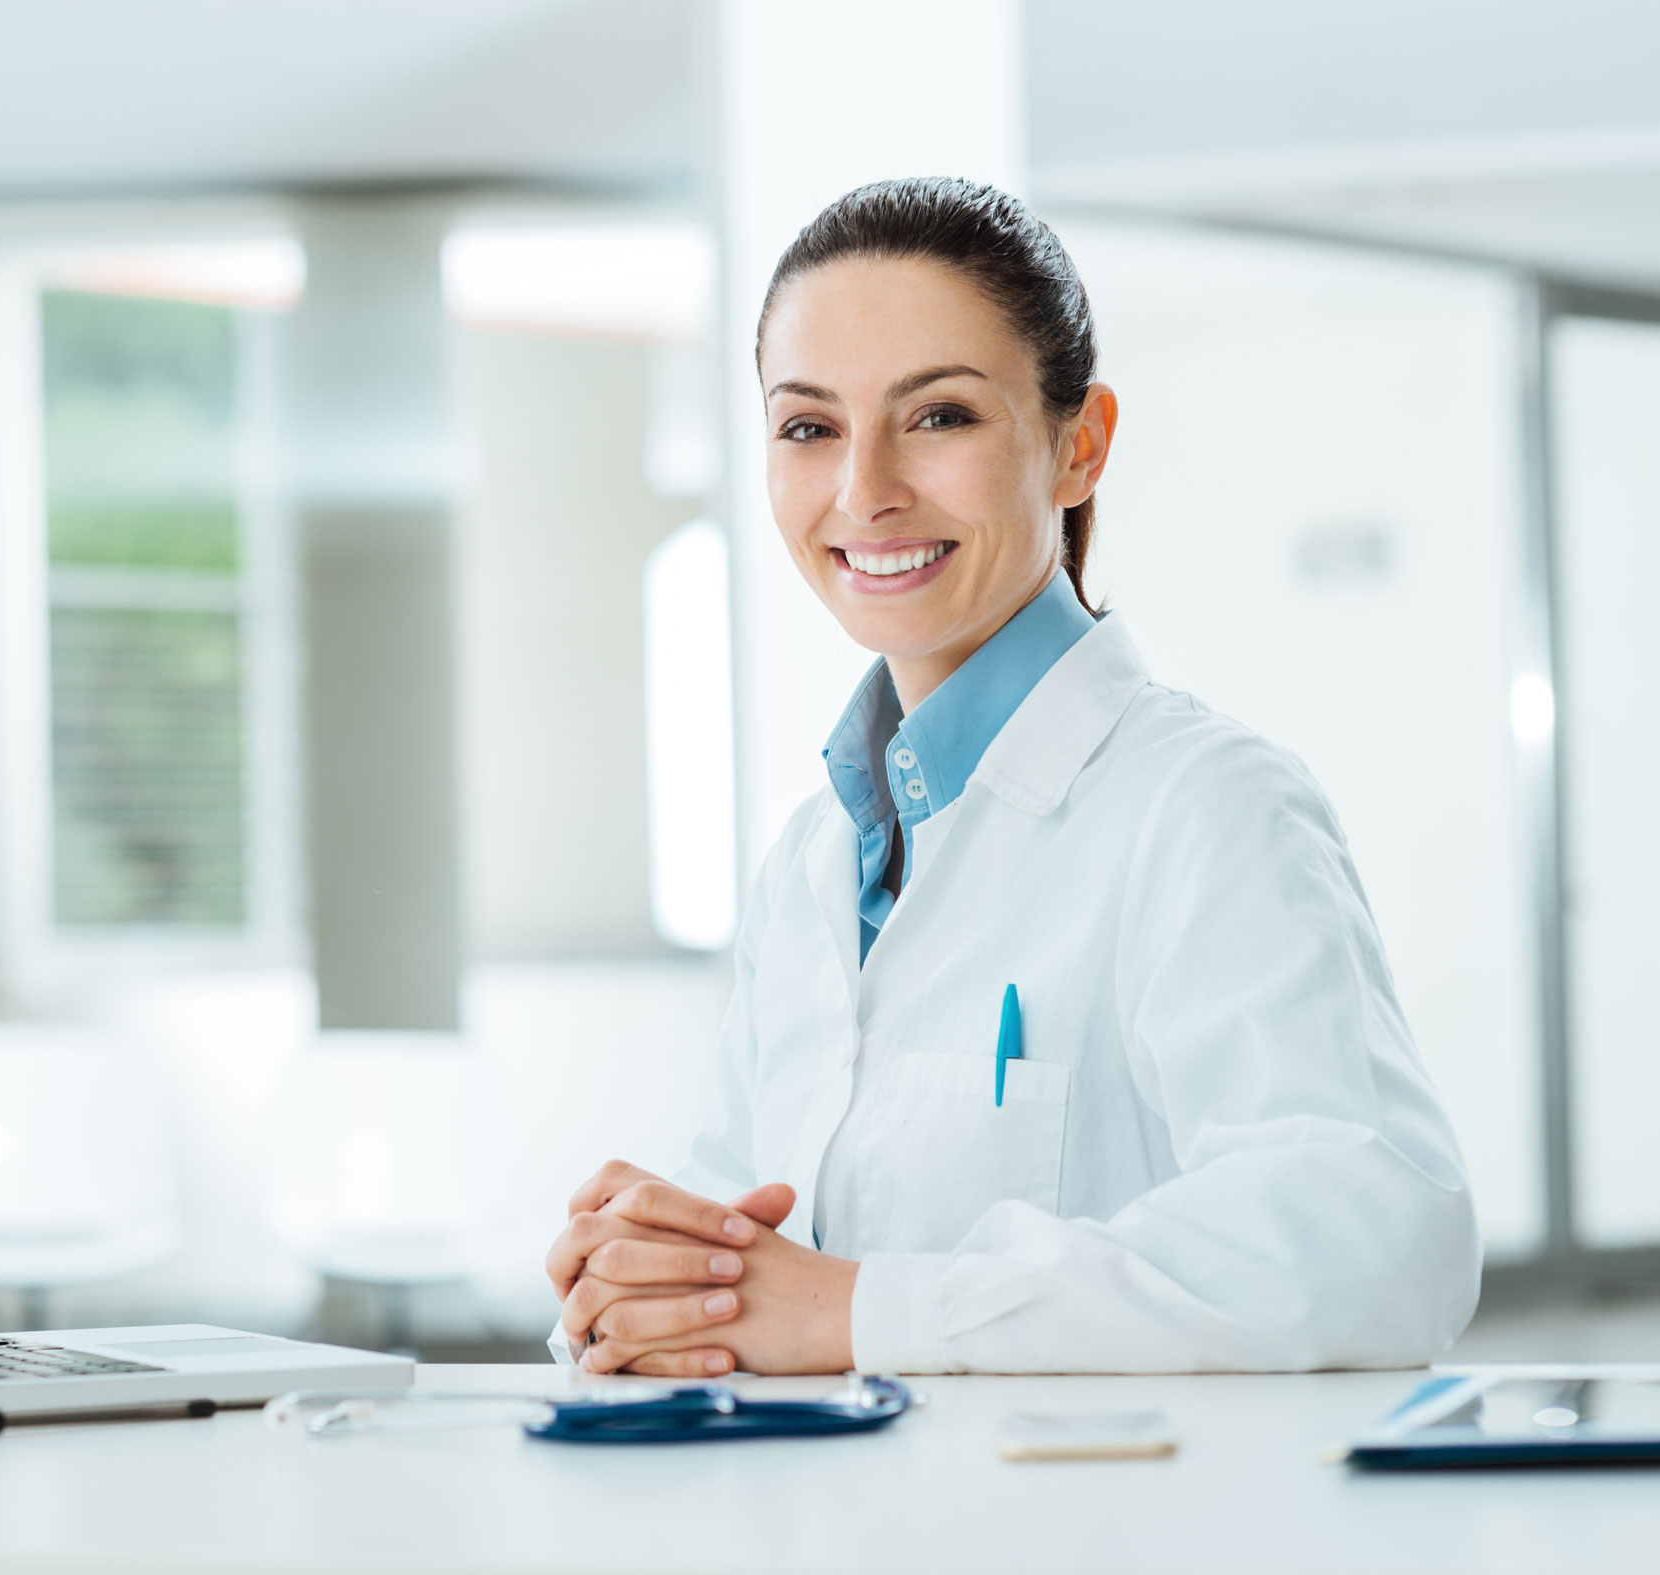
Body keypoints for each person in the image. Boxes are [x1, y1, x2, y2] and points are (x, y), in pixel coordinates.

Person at [544, 176, 1481, 1378]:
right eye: (807, 427)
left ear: (1075, 446)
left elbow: (1371, 1239)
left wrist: (857, 1313)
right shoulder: (813, 863)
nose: (862, 490)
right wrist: (644, 1284)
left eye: (936, 418)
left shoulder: (1203, 808)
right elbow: (757, 1245)